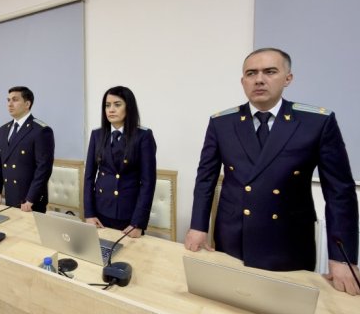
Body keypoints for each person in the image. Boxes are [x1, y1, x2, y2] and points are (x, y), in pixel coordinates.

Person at [185, 48, 359, 295]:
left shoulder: (316, 122)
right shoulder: (222, 123)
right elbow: (205, 179)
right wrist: (198, 226)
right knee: (230, 303)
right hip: (233, 235)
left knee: (286, 311)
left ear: (288, 78)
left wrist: (342, 257)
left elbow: (339, 193)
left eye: (270, 72)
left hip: (288, 241)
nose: (259, 79)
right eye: (251, 73)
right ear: (243, 81)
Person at [83, 86, 157, 238]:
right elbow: (89, 177)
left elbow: (148, 183)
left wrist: (138, 223)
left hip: (129, 215)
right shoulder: (97, 134)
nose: (111, 110)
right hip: (100, 212)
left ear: (128, 107)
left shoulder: (142, 136)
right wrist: (89, 214)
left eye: (117, 105)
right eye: (107, 105)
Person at [0, 86, 54, 212]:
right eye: (8, 100)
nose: (10, 104)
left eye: (15, 100)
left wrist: (31, 198)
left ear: (27, 104)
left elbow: (43, 169)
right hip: (10, 196)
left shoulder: (40, 130)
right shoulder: (3, 130)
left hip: (30, 201)